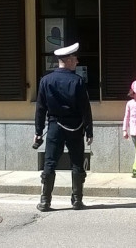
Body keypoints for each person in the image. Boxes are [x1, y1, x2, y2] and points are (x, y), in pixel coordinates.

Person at [34, 42, 93, 211]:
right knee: (77, 162)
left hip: (55, 126)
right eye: (74, 58)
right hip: (76, 126)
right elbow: (85, 108)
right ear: (67, 60)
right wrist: (89, 130)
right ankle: (77, 200)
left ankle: (45, 201)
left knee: (50, 162)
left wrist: (38, 131)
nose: (77, 61)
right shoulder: (77, 81)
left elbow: (40, 108)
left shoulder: (46, 80)